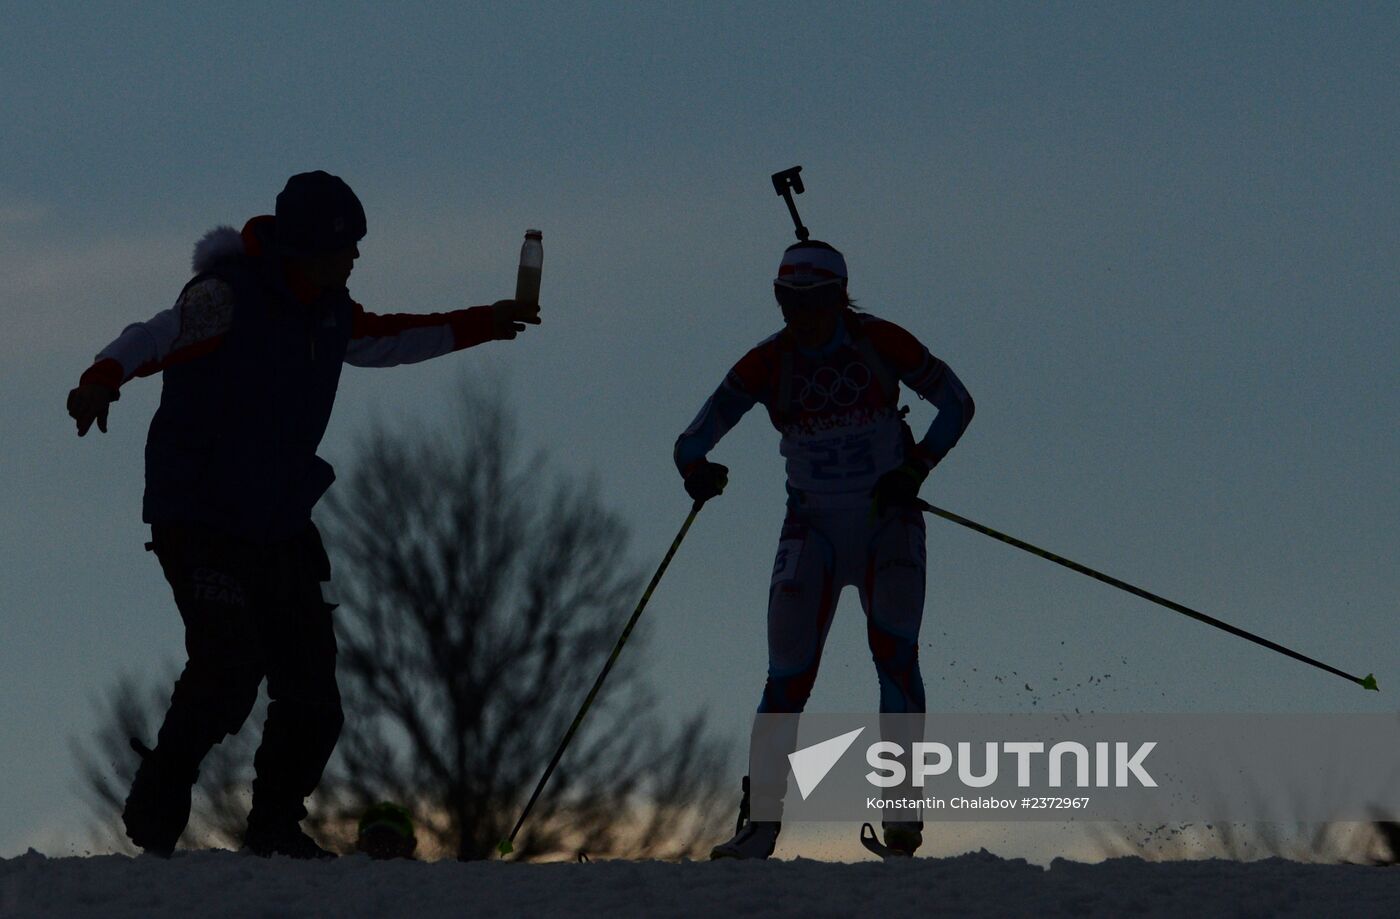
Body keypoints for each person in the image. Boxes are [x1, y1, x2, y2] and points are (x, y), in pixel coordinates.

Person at [65, 171, 541, 859]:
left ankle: (275, 823)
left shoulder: (330, 311)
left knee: (312, 690)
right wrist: (100, 378)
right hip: (199, 516)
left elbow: (389, 338)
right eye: (342, 248)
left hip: (279, 519)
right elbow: (154, 335)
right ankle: (162, 792)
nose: (353, 260)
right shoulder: (226, 297)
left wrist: (485, 323)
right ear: (303, 246)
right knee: (228, 664)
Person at [674, 239, 974, 860]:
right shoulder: (767, 361)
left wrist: (915, 469)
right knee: (786, 675)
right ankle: (759, 827)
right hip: (809, 529)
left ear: (838, 297)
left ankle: (902, 819)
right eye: (784, 300)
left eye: (809, 301)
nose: (796, 315)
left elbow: (957, 403)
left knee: (894, 656)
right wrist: (695, 469)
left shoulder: (881, 341)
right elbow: (693, 437)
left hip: (887, 522)